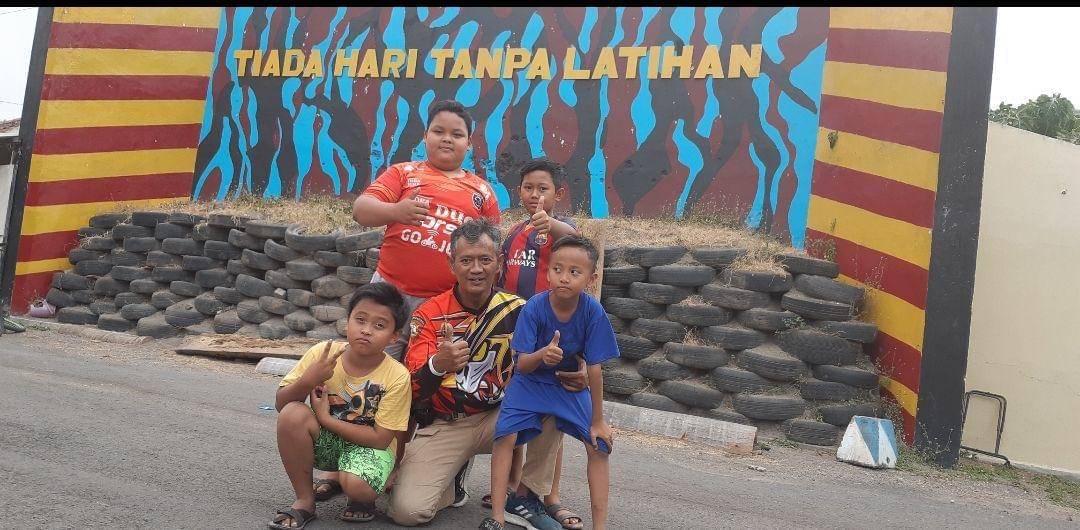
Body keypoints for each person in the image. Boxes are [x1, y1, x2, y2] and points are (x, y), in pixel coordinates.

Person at [349, 98, 501, 504]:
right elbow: (362, 209)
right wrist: (396, 210)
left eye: (457, 134)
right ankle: (348, 470)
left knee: (435, 392)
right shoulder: (404, 173)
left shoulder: (482, 192)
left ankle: (431, 473)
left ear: (469, 143)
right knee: (370, 381)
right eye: (439, 131)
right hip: (390, 299)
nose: (447, 139)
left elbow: (488, 251)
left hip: (445, 311)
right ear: (425, 136)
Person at [388, 218, 563, 529]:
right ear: (451, 264)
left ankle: (525, 496)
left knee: (555, 400)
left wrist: (576, 374)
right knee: (407, 512)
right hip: (447, 422)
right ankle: (452, 480)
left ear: (499, 263)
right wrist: (438, 365)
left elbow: (547, 361)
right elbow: (408, 391)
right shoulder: (429, 313)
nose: (476, 269)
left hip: (501, 417)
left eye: (485, 259)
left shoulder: (520, 310)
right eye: (466, 260)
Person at [482, 235, 619, 530]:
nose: (564, 278)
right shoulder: (534, 307)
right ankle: (497, 515)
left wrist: (598, 421)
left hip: (567, 385)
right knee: (504, 436)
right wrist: (543, 354)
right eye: (557, 269)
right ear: (547, 272)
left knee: (599, 446)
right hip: (529, 382)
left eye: (574, 272)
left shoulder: (593, 311)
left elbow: (595, 368)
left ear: (591, 278)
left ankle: (600, 526)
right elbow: (521, 364)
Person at [270, 282, 412, 529]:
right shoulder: (323, 354)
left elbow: (381, 440)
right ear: (347, 322)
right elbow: (281, 404)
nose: (366, 330)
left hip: (369, 448)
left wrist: (326, 419)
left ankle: (359, 497)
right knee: (293, 414)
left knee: (357, 486)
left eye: (379, 325)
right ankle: (305, 501)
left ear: (394, 336)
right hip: (329, 443)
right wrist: (309, 380)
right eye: (360, 320)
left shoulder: (397, 376)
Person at [494, 158, 585, 530]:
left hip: (553, 338)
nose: (535, 195)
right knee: (517, 412)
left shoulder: (562, 231)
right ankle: (513, 487)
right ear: (519, 192)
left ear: (558, 193)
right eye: (528, 188)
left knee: (553, 417)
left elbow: (575, 240)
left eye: (543, 189)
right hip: (515, 335)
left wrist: (552, 225)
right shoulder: (515, 232)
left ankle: (549, 497)